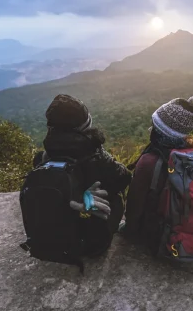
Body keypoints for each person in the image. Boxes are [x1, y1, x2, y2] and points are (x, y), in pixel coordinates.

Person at [123, 96, 193, 271]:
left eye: (154, 125)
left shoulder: (149, 161)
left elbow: (134, 206)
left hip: (161, 237)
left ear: (160, 130)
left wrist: (128, 232)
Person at [33, 94, 132, 256]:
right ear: (84, 126)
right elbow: (124, 177)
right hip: (92, 244)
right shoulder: (96, 158)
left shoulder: (44, 157)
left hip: (52, 239)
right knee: (116, 191)